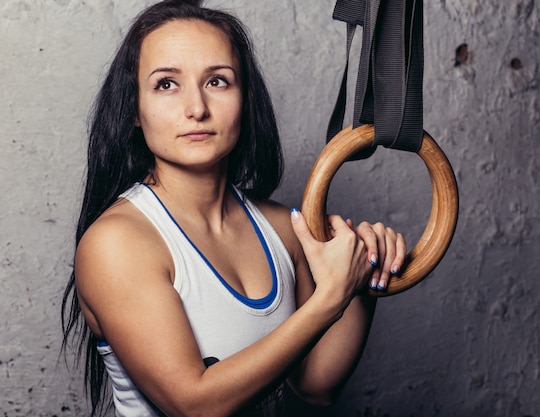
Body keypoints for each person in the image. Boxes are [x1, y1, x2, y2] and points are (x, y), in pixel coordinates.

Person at [61, 1, 406, 416]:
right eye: (166, 84)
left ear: (245, 99)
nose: (196, 108)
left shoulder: (283, 227)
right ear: (134, 109)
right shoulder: (116, 244)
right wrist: (329, 298)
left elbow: (316, 386)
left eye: (218, 82)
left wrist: (362, 275)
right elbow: (195, 404)